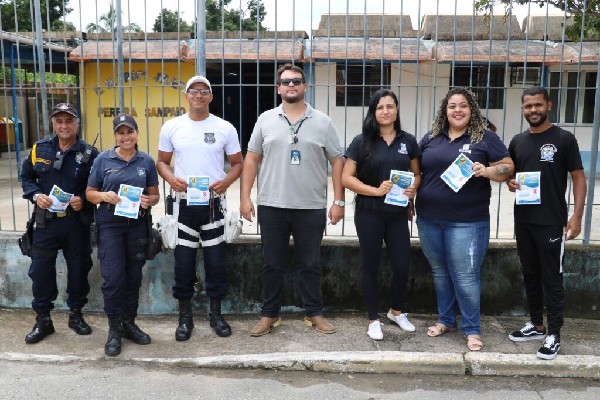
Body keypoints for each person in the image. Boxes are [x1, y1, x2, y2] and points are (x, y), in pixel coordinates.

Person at [240, 63, 345, 337]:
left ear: (304, 86)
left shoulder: (323, 122)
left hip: (310, 206)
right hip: (271, 204)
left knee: (310, 264)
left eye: (296, 81)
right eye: (286, 81)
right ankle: (269, 314)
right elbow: (251, 158)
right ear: (278, 88)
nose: (291, 85)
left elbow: (337, 160)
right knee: (271, 264)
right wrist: (245, 197)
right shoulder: (265, 120)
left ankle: (314, 313)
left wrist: (339, 201)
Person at [416, 87, 514, 351]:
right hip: (429, 219)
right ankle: (446, 320)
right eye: (452, 106)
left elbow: (508, 167)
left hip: (467, 222)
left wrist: (488, 170)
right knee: (440, 273)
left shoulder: (485, 138)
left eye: (463, 105)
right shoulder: (431, 137)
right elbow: (417, 171)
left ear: (472, 110)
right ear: (445, 111)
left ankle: (471, 329)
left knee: (466, 276)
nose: (457, 110)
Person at [157, 75, 243, 340]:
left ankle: (216, 315)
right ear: (186, 96)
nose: (198, 95)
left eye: (204, 91)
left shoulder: (224, 127)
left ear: (211, 97)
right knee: (183, 264)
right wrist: (171, 179)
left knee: (216, 263)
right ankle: (185, 318)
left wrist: (226, 182)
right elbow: (161, 162)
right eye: (193, 90)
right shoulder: (172, 127)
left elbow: (238, 163)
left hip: (213, 205)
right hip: (184, 205)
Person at [506, 86, 586, 360]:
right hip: (524, 220)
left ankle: (554, 334)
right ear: (522, 108)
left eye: (538, 105)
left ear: (548, 106)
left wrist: (577, 216)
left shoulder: (564, 139)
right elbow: (511, 176)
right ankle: (536, 325)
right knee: (530, 273)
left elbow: (578, 177)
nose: (533, 110)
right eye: (528, 106)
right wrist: (510, 182)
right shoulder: (518, 141)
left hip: (552, 222)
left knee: (552, 278)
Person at [342, 89, 421, 340]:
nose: (385, 111)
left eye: (390, 106)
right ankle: (373, 319)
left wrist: (413, 188)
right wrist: (375, 191)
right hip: (369, 213)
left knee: (401, 265)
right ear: (373, 112)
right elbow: (346, 178)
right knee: (371, 265)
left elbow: (417, 173)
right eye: (380, 107)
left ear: (396, 110)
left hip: (397, 214)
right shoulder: (361, 142)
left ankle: (396, 311)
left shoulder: (408, 141)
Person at [20, 103, 98, 344]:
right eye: (59, 121)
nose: (64, 126)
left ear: (77, 123)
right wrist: (36, 195)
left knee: (78, 270)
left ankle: (76, 315)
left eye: (69, 121)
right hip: (46, 224)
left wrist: (83, 199)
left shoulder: (90, 153)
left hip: (76, 223)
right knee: (40, 270)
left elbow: (98, 187)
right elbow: (26, 177)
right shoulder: (39, 149)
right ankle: (43, 319)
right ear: (53, 123)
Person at [86, 114, 160, 356]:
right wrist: (103, 196)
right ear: (115, 135)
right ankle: (114, 329)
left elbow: (155, 195)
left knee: (133, 277)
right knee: (113, 278)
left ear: (137, 133)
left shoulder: (146, 161)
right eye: (121, 132)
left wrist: (149, 201)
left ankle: (129, 323)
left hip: (136, 225)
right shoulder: (103, 160)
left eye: (130, 132)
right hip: (110, 225)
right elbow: (89, 193)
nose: (126, 137)